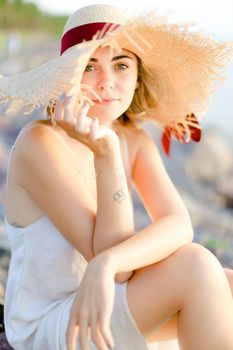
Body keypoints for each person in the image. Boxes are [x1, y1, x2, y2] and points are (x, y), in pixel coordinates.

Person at [0, 4, 233, 350]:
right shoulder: (40, 143)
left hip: (106, 297)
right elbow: (122, 271)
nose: (107, 82)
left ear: (138, 74)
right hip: (49, 322)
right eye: (90, 66)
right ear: (69, 77)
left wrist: (105, 265)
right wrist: (105, 155)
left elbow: (178, 225)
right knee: (197, 265)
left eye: (121, 65)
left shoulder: (132, 138)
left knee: (226, 282)